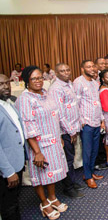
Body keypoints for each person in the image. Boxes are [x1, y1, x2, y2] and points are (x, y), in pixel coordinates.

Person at [16, 66, 69, 219]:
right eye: (34, 79)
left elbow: (54, 117)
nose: (38, 81)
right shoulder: (25, 99)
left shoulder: (45, 94)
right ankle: (44, 202)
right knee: (40, 173)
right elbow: (28, 125)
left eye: (40, 78)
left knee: (51, 172)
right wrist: (37, 152)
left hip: (53, 140)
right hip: (38, 145)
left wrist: (58, 136)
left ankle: (52, 197)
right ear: (27, 81)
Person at [48, 63, 84, 199]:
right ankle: (68, 188)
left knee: (71, 157)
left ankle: (72, 182)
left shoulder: (69, 84)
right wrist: (70, 131)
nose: (66, 72)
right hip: (65, 131)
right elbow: (59, 113)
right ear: (56, 73)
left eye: (68, 70)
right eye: (62, 71)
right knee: (67, 159)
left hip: (73, 128)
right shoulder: (56, 88)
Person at [73, 60, 104, 189]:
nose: (92, 69)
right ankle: (88, 176)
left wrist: (102, 120)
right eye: (88, 67)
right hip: (87, 123)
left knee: (95, 150)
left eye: (93, 66)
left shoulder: (94, 82)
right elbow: (76, 104)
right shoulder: (78, 82)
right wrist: (81, 122)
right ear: (82, 69)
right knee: (87, 151)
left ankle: (90, 172)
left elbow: (97, 101)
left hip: (96, 121)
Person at [0, 74, 25, 219]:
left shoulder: (9, 103)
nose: (5, 86)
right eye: (1, 84)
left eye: (7, 83)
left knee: (14, 201)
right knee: (8, 206)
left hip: (16, 160)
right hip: (6, 168)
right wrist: (8, 172)